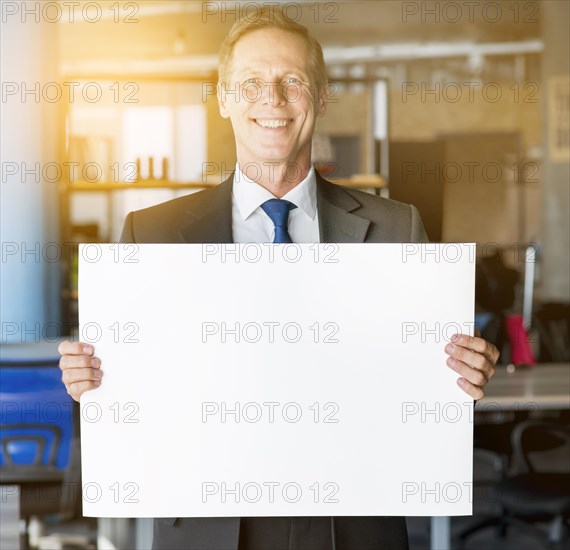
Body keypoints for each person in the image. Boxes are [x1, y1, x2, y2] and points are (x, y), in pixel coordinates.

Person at [59, 8, 499, 550]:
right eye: (250, 84)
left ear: (322, 95)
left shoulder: (395, 226)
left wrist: (463, 377)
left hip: (354, 521)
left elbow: (422, 386)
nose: (272, 99)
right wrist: (90, 382)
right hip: (209, 523)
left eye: (292, 81)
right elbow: (131, 393)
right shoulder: (152, 234)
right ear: (223, 99)